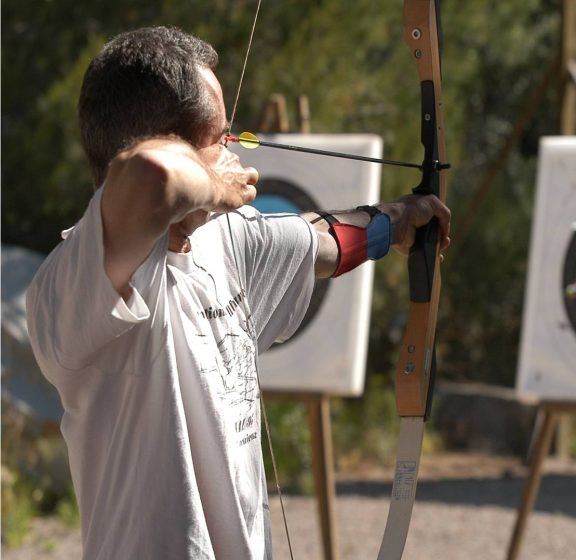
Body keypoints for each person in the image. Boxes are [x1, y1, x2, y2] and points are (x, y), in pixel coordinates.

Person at [26, 26, 450, 559]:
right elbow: (153, 175)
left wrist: (397, 221)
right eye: (220, 137)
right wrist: (214, 181)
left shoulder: (224, 240)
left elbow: (320, 241)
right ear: (173, 144)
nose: (233, 151)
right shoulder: (76, 284)